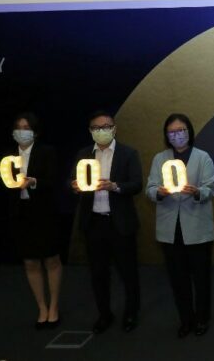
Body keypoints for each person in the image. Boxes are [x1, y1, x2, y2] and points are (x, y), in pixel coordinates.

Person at [71, 110, 143, 334]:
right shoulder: (84, 154)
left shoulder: (128, 153)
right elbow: (79, 183)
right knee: (98, 273)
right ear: (90, 131)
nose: (101, 131)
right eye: (96, 128)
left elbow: (136, 184)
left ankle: (131, 313)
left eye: (106, 126)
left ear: (114, 128)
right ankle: (104, 314)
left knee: (128, 272)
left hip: (120, 222)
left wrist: (114, 186)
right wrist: (76, 187)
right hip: (93, 222)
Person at [146, 113, 214, 338]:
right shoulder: (160, 158)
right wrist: (159, 192)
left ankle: (202, 318)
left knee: (201, 276)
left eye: (182, 130)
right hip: (170, 228)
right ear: (167, 135)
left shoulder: (202, 157)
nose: (178, 135)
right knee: (178, 278)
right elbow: (150, 189)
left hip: (197, 226)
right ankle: (185, 319)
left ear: (189, 131)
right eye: (173, 131)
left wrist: (197, 192)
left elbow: (210, 188)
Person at [3, 112, 63, 329]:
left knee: (51, 259)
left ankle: (54, 306)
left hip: (44, 212)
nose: (22, 131)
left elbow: (54, 179)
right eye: (18, 127)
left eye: (26, 127)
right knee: (30, 261)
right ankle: (42, 307)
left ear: (35, 132)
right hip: (21, 213)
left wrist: (33, 181)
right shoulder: (8, 155)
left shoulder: (47, 152)